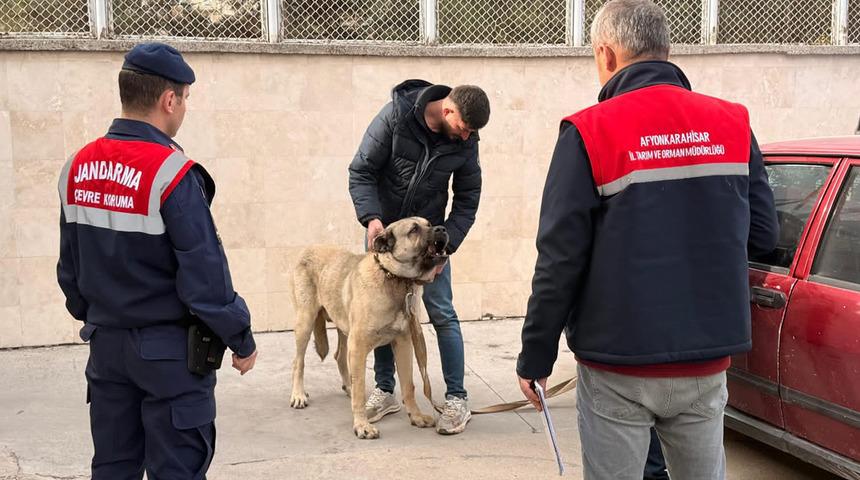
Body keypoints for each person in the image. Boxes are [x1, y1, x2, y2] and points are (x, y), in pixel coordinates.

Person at [515, 1, 779, 478]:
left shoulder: (588, 131)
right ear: (665, 47)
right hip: (706, 357)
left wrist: (536, 353)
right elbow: (763, 235)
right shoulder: (733, 123)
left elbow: (559, 258)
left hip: (619, 362)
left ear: (607, 55)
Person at [56, 42, 258, 479]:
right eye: (184, 99)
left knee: (113, 467)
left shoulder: (76, 168)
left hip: (107, 349)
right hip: (170, 356)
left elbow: (69, 270)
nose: (184, 108)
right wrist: (240, 338)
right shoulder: (171, 173)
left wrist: (101, 316)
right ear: (170, 99)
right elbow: (205, 278)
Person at [348, 80, 490, 435]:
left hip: (430, 242)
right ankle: (385, 390)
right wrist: (372, 218)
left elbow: (468, 198)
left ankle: (456, 397)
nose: (466, 136)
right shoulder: (397, 116)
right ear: (447, 110)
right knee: (376, 315)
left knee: (443, 313)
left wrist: (448, 244)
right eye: (463, 127)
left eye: (472, 132)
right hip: (387, 240)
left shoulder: (466, 141)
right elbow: (361, 169)